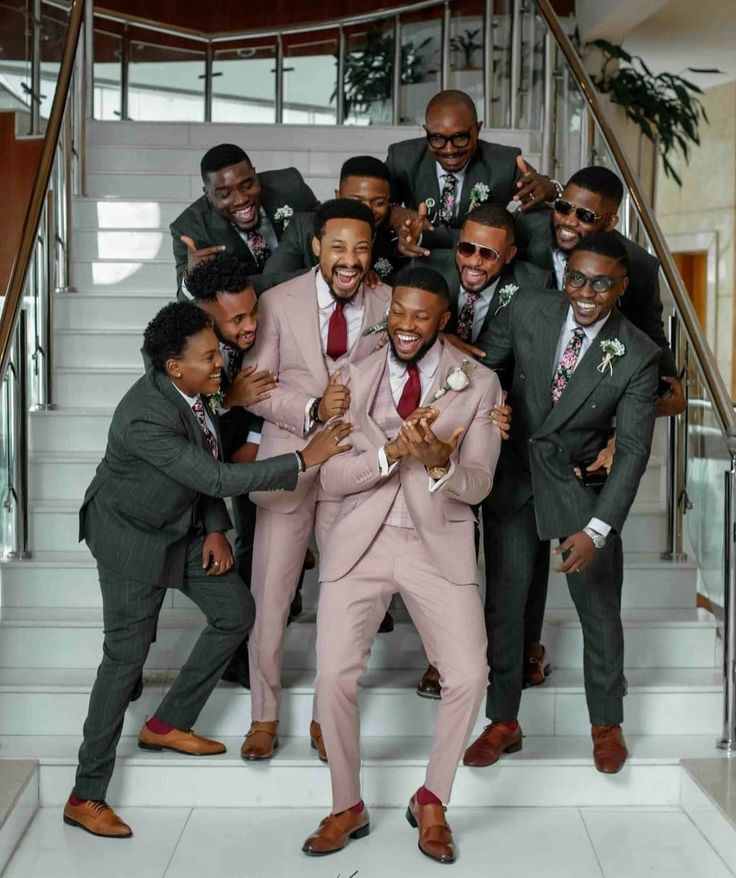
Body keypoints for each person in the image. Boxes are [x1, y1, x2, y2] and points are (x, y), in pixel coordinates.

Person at [63, 301, 351, 839]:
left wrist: (215, 527)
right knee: (123, 662)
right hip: (132, 540)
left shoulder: (194, 392)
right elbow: (214, 475)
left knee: (236, 611)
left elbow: (205, 453)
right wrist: (303, 460)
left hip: (184, 525)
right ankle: (85, 795)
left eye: (216, 350)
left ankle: (167, 723)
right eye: (207, 356)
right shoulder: (146, 415)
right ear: (175, 367)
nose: (221, 361)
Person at [302, 265, 502, 862]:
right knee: (334, 674)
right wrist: (391, 452)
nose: (407, 326)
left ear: (445, 320)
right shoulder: (351, 373)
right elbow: (331, 473)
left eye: (422, 315)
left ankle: (432, 798)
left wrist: (441, 462)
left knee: (468, 675)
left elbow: (481, 482)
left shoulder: (480, 383)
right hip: (358, 542)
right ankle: (346, 804)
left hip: (436, 541)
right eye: (400, 313)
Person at [464, 232, 659, 775]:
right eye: (576, 278)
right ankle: (503, 719)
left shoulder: (638, 354)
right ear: (563, 274)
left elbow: (635, 451)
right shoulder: (528, 307)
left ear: (621, 287)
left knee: (597, 608)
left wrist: (596, 530)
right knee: (505, 603)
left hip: (579, 486)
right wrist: (487, 415)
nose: (585, 292)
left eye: (601, 283)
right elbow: (487, 369)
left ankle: (605, 724)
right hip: (517, 475)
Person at [239, 199, 394, 763]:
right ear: (316, 248)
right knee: (271, 597)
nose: (349, 259)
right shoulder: (278, 302)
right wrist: (309, 408)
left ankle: (328, 715)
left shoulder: (389, 303)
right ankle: (264, 714)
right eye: (337, 247)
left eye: (360, 248)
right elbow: (256, 388)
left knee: (342, 597)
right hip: (289, 465)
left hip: (353, 469)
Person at [412, 203, 553, 699]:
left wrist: (510, 405)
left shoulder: (535, 284)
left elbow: (542, 358)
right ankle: (445, 656)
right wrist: (442, 334)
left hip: (508, 431)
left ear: (510, 255)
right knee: (445, 556)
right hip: (439, 432)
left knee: (516, 558)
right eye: (466, 247)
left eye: (488, 254)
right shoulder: (434, 267)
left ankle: (521, 649)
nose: (472, 261)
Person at [186, 254, 308, 689]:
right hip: (198, 460)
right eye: (236, 320)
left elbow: (312, 272)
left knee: (262, 547)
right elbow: (186, 413)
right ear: (206, 315)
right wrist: (230, 400)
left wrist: (255, 439)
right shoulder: (178, 340)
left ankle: (254, 655)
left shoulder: (263, 294)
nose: (251, 324)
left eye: (253, 310)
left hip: (260, 445)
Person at [515, 165, 684, 416]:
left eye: (584, 216)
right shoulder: (527, 229)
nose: (568, 222)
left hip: (584, 397)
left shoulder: (636, 265)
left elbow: (650, 334)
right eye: (563, 208)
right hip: (521, 384)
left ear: (610, 222)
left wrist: (670, 387)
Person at [386, 89, 559, 253]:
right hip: (420, 259)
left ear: (477, 129)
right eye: (437, 138)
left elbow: (541, 189)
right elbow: (366, 202)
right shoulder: (403, 158)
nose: (449, 150)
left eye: (460, 137)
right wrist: (391, 212)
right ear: (426, 132)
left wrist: (552, 190)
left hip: (480, 257)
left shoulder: (504, 162)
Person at [170, 143, 319, 297]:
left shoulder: (290, 185)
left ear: (254, 174)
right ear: (208, 194)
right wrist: (192, 279)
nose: (240, 200)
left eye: (247, 185)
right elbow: (184, 299)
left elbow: (324, 230)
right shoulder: (191, 229)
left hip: (306, 296)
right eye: (225, 194)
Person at [261, 155, 409, 289]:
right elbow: (268, 281)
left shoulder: (397, 236)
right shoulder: (304, 227)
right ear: (338, 196)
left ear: (389, 202)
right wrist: (330, 271)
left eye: (378, 202)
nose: (368, 210)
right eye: (357, 201)